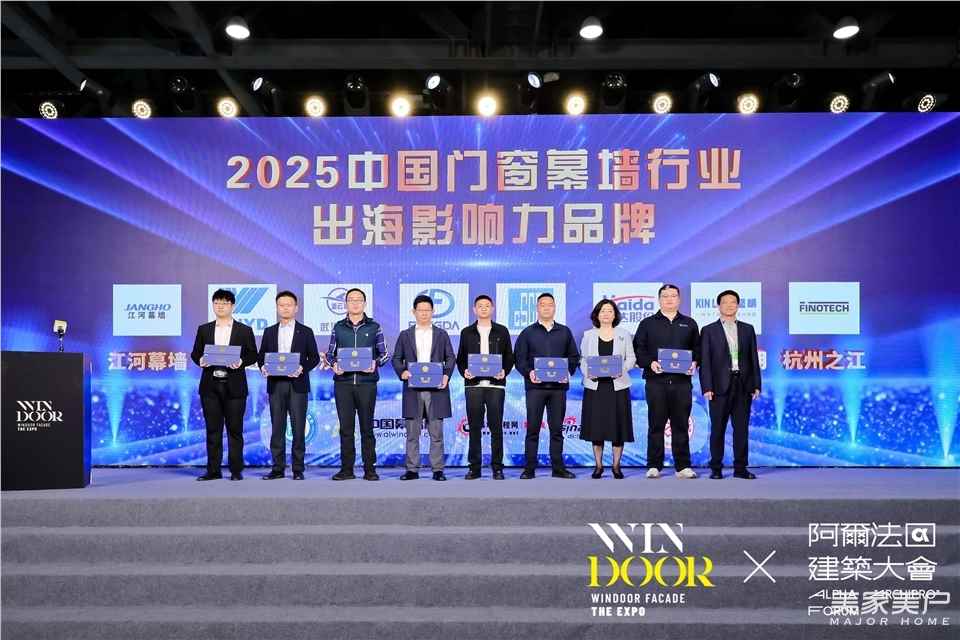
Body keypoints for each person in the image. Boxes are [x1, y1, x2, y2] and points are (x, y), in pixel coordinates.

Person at [633, 284, 700, 479]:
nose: (669, 299)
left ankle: (683, 466)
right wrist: (650, 363)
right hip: (656, 382)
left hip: (681, 383)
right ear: (659, 299)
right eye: (665, 296)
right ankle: (654, 465)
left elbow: (698, 348)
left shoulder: (689, 323)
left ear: (679, 299)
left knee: (681, 424)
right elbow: (638, 349)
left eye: (673, 296)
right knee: (656, 424)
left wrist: (694, 362)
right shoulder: (647, 324)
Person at [189, 288, 258, 481]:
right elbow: (195, 353)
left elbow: (253, 354)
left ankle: (236, 470)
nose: (220, 306)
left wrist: (241, 361)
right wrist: (200, 360)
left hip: (235, 386)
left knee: (235, 430)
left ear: (233, 306)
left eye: (225, 303)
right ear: (213, 305)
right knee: (213, 430)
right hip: (210, 386)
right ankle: (213, 470)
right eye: (217, 303)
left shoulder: (244, 330)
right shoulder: (204, 329)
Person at [324, 288, 389, 481]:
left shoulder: (374, 327)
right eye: (351, 300)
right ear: (345, 304)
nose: (355, 303)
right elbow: (329, 354)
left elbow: (384, 354)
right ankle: (347, 469)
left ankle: (370, 469)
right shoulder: (338, 327)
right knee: (345, 429)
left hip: (366, 384)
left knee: (367, 428)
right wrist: (334, 365)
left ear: (365, 303)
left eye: (358, 299)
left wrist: (375, 363)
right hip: (343, 384)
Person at [513, 292, 580, 479]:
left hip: (558, 389)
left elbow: (574, 357)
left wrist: (567, 373)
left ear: (555, 308)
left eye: (550, 304)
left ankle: (558, 468)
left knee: (557, 430)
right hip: (535, 388)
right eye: (542, 304)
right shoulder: (528, 332)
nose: (546, 308)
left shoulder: (564, 332)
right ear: (537, 308)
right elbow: (519, 358)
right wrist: (529, 372)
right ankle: (529, 468)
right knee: (532, 429)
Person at [257, 290, 321, 481]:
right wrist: (263, 367)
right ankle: (277, 468)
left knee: (298, 427)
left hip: (297, 385)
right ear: (277, 308)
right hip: (276, 385)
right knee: (277, 427)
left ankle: (298, 469)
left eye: (289, 305)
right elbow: (261, 356)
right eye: (281, 305)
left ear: (296, 308)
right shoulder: (269, 331)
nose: (285, 308)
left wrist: (302, 368)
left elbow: (315, 358)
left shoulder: (306, 331)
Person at [392, 294, 457, 481]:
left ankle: (438, 469)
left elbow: (450, 357)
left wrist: (446, 375)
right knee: (412, 433)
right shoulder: (405, 335)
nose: (424, 313)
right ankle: (412, 469)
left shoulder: (441, 334)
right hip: (412, 389)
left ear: (433, 312)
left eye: (427, 310)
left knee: (436, 433)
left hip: (436, 390)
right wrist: (402, 372)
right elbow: (396, 358)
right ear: (414, 312)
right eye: (420, 310)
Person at [699, 289, 761, 480]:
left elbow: (753, 358)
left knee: (741, 429)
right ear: (719, 306)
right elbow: (705, 361)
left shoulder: (747, 329)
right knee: (717, 429)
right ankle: (716, 468)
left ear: (738, 305)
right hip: (718, 386)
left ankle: (740, 468)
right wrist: (707, 387)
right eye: (725, 302)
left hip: (743, 384)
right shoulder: (709, 330)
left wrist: (756, 384)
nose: (729, 305)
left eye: (733, 302)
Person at [456, 294, 514, 480]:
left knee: (496, 427)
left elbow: (509, 356)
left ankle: (497, 467)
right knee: (474, 427)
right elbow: (460, 358)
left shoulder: (502, 331)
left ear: (492, 309)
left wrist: (504, 371)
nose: (483, 308)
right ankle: (474, 467)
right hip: (473, 386)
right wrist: (465, 371)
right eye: (480, 305)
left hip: (496, 386)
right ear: (474, 309)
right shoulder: (466, 332)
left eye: (487, 305)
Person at [579, 299, 636, 479]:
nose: (606, 314)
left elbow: (631, 358)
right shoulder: (588, 335)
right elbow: (583, 359)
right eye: (602, 311)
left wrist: (621, 369)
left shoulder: (624, 334)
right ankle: (598, 466)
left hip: (618, 386)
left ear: (615, 314)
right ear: (597, 314)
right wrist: (588, 373)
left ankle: (616, 466)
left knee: (618, 428)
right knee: (597, 427)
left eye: (610, 311)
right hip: (595, 386)